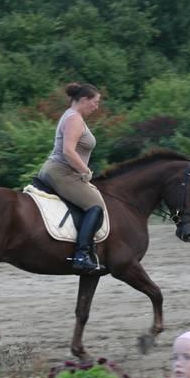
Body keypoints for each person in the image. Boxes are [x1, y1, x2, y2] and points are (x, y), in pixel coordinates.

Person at [38, 82, 106, 272]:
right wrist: (85, 171)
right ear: (84, 100)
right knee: (96, 205)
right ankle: (82, 255)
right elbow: (68, 151)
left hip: (59, 170)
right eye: (95, 102)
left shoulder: (71, 116)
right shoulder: (74, 118)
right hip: (62, 171)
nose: (96, 107)